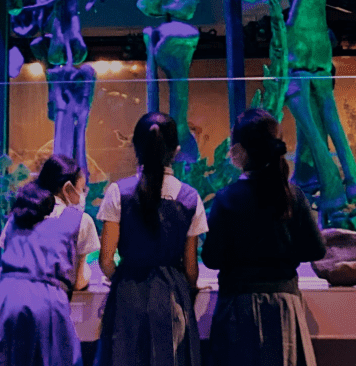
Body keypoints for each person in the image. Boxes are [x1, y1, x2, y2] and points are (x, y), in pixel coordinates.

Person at [201, 108, 327, 366]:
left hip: (238, 306)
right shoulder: (292, 195)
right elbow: (316, 249)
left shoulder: (227, 198)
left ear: (241, 150)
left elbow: (212, 258)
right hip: (284, 307)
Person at [0, 154, 99, 366]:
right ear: (68, 188)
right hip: (46, 304)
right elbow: (78, 281)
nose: (83, 195)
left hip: (3, 300)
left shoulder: (19, 214)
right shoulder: (80, 220)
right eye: (82, 189)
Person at [93, 112, 207, 366]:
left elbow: (106, 260)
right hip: (171, 295)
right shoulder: (190, 197)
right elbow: (191, 270)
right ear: (175, 151)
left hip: (127, 293)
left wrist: (121, 277)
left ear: (135, 147)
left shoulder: (117, 192)